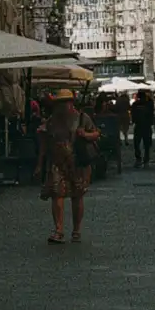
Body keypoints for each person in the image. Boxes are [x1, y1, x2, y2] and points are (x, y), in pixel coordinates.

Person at [33, 89, 100, 244]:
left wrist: (85, 135)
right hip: (57, 162)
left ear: (71, 103)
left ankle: (76, 229)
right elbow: (45, 145)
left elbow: (96, 134)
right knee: (57, 194)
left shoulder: (82, 118)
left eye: (64, 103)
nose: (61, 107)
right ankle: (58, 230)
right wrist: (40, 163)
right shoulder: (51, 121)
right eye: (58, 104)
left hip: (77, 162)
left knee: (77, 196)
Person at [130, 89, 155, 168]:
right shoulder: (149, 104)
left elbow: (133, 115)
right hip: (147, 126)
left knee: (136, 143)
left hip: (138, 125)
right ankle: (146, 159)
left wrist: (134, 121)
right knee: (147, 144)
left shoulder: (135, 104)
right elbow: (152, 113)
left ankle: (138, 159)